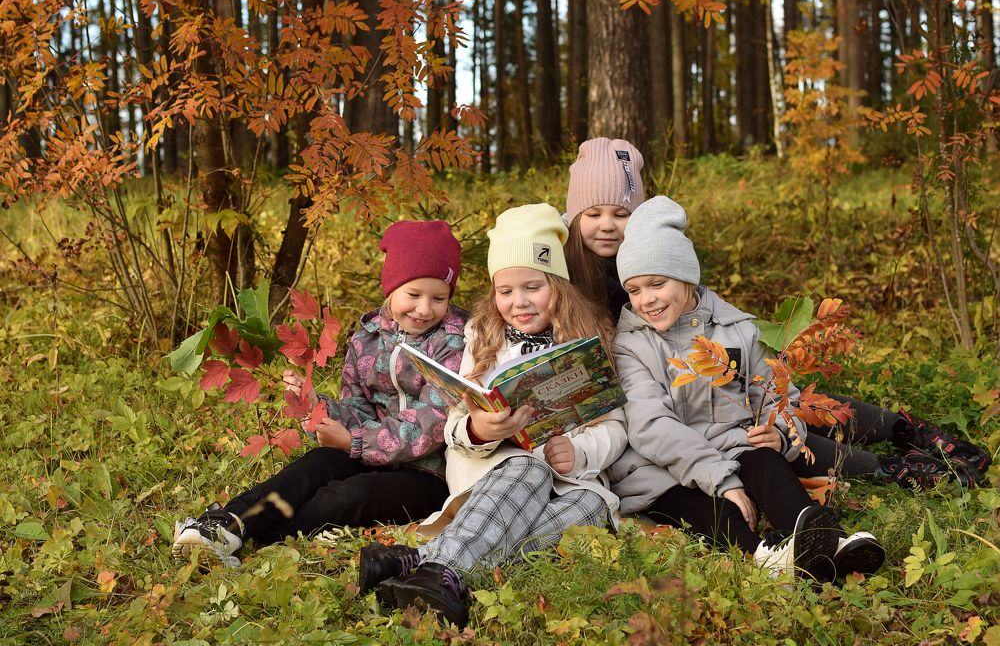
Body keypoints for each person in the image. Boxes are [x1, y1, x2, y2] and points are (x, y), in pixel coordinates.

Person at [561, 137, 991, 489]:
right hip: (638, 411)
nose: (607, 225)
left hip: (695, 388)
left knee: (780, 407)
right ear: (575, 215)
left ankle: (907, 431)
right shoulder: (564, 274)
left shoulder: (654, 257)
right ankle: (887, 468)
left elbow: (699, 313)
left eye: (621, 213)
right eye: (593, 213)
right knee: (753, 432)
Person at [357, 203, 628, 626]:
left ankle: (421, 562)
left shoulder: (590, 335)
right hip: (497, 473)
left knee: (590, 509)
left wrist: (580, 452)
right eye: (505, 291)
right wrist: (479, 429)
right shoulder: (482, 338)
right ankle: (446, 574)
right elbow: (452, 425)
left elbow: (615, 426)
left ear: (558, 285)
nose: (519, 302)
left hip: (571, 479)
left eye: (533, 287)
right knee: (528, 469)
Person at [609, 196, 885, 582]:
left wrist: (781, 433)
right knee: (719, 511)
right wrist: (722, 480)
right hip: (660, 470)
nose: (646, 299)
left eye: (657, 283)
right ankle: (770, 560)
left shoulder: (738, 329)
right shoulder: (630, 345)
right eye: (634, 290)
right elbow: (651, 426)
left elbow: (777, 394)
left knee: (767, 461)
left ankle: (828, 542)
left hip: (733, 448)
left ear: (686, 277)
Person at [172, 220, 468, 566]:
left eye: (439, 298)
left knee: (347, 496)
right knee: (315, 466)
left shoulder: (453, 344)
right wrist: (319, 407)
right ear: (391, 287)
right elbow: (357, 406)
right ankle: (228, 522)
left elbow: (430, 425)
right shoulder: (368, 338)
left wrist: (354, 442)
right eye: (413, 295)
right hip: (368, 451)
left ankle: (248, 537)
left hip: (426, 475)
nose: (425, 308)